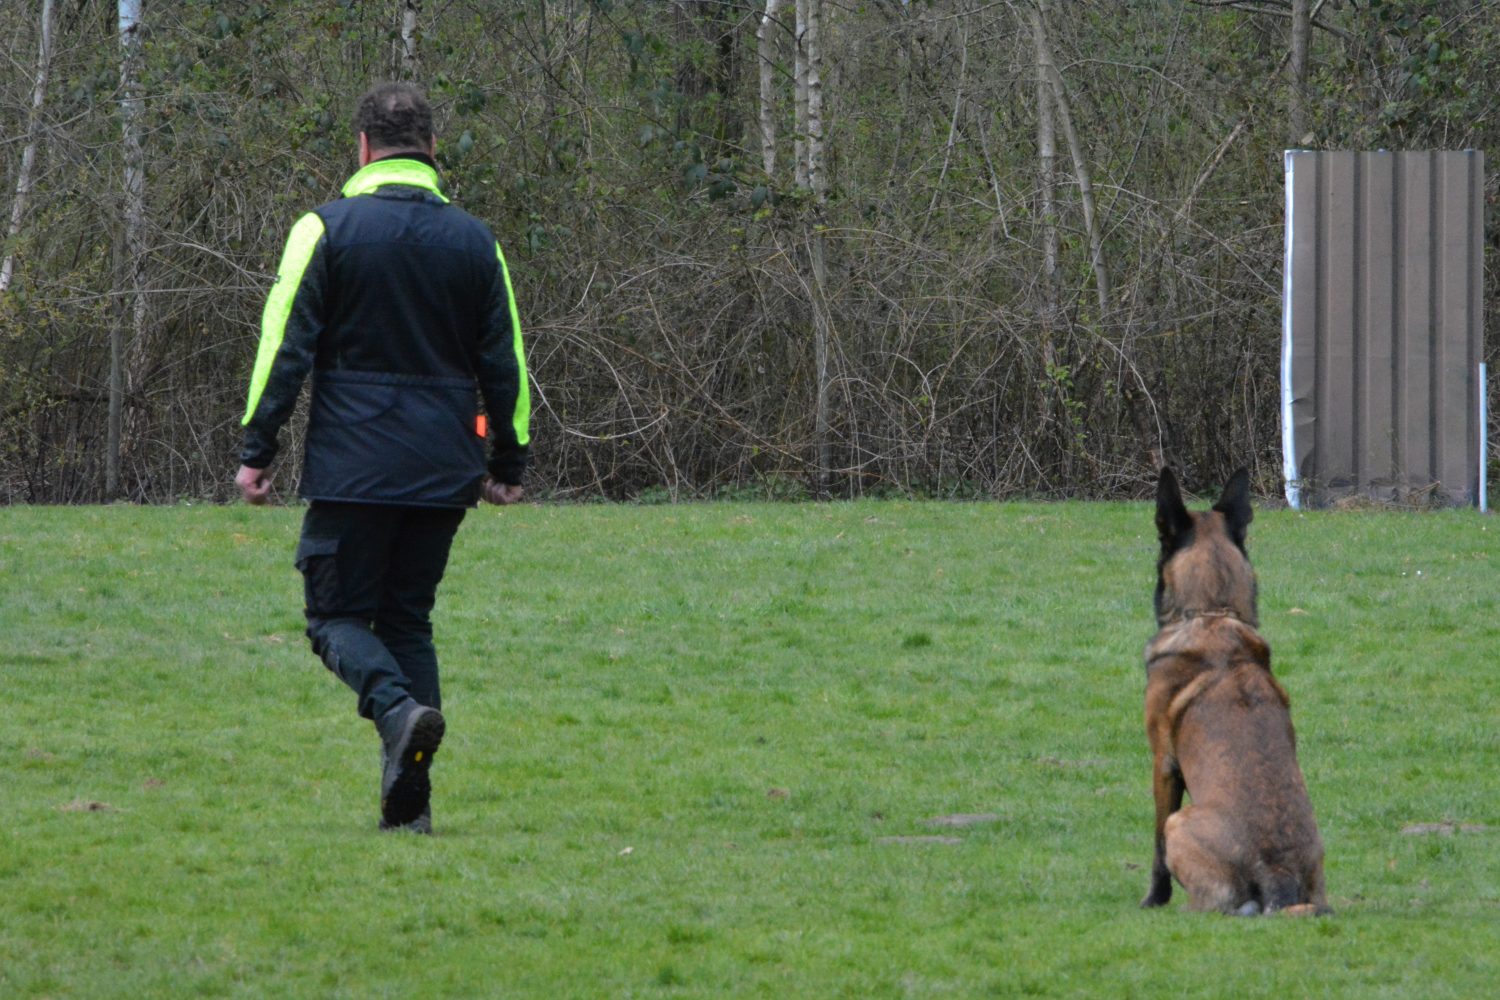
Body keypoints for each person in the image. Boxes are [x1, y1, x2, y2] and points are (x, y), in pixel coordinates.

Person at [235, 82, 530, 834]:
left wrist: (256, 448)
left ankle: (399, 714)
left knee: (333, 616)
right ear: (433, 152)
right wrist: (509, 461)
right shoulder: (476, 241)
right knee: (406, 621)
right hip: (442, 467)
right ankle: (411, 809)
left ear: (362, 149)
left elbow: (283, 348)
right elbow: (507, 361)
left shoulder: (324, 228)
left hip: (355, 465)